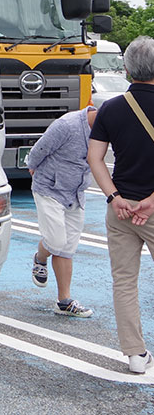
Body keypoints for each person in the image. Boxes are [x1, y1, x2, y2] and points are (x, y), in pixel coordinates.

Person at [88, 35, 154, 374]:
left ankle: (134, 354)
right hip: (152, 208)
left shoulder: (111, 108)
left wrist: (114, 197)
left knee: (124, 280)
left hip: (122, 209)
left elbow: (95, 158)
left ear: (127, 69)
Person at [26, 104, 97, 318]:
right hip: (49, 188)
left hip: (76, 193)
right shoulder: (68, 125)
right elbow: (40, 148)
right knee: (56, 242)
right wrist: (33, 168)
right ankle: (40, 256)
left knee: (67, 248)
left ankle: (64, 301)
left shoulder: (106, 131)